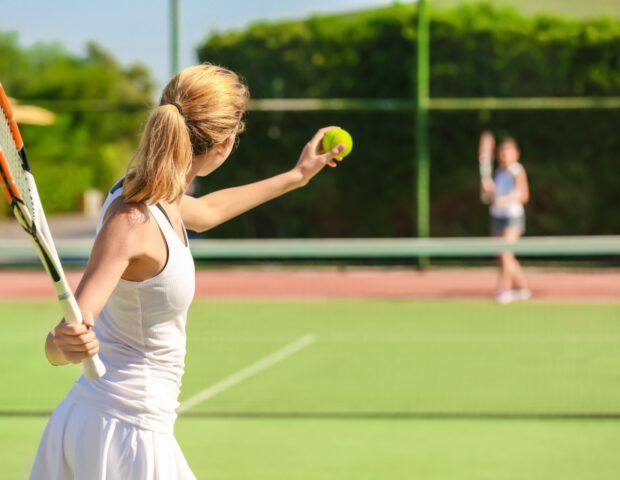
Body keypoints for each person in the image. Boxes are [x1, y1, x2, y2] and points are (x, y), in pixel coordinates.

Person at [30, 63, 347, 479]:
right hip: (122, 433)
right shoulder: (133, 218)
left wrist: (297, 176)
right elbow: (61, 342)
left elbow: (209, 211)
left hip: (120, 424)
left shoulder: (155, 195)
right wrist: (61, 342)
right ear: (224, 145)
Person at [479, 135, 531, 304]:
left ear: (516, 154)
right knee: (501, 255)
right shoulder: (498, 172)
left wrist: (504, 200)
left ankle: (505, 290)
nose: (504, 155)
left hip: (513, 217)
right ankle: (523, 288)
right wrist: (489, 190)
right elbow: (492, 196)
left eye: (508, 152)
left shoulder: (517, 171)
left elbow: (524, 195)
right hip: (497, 217)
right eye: (502, 152)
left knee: (506, 253)